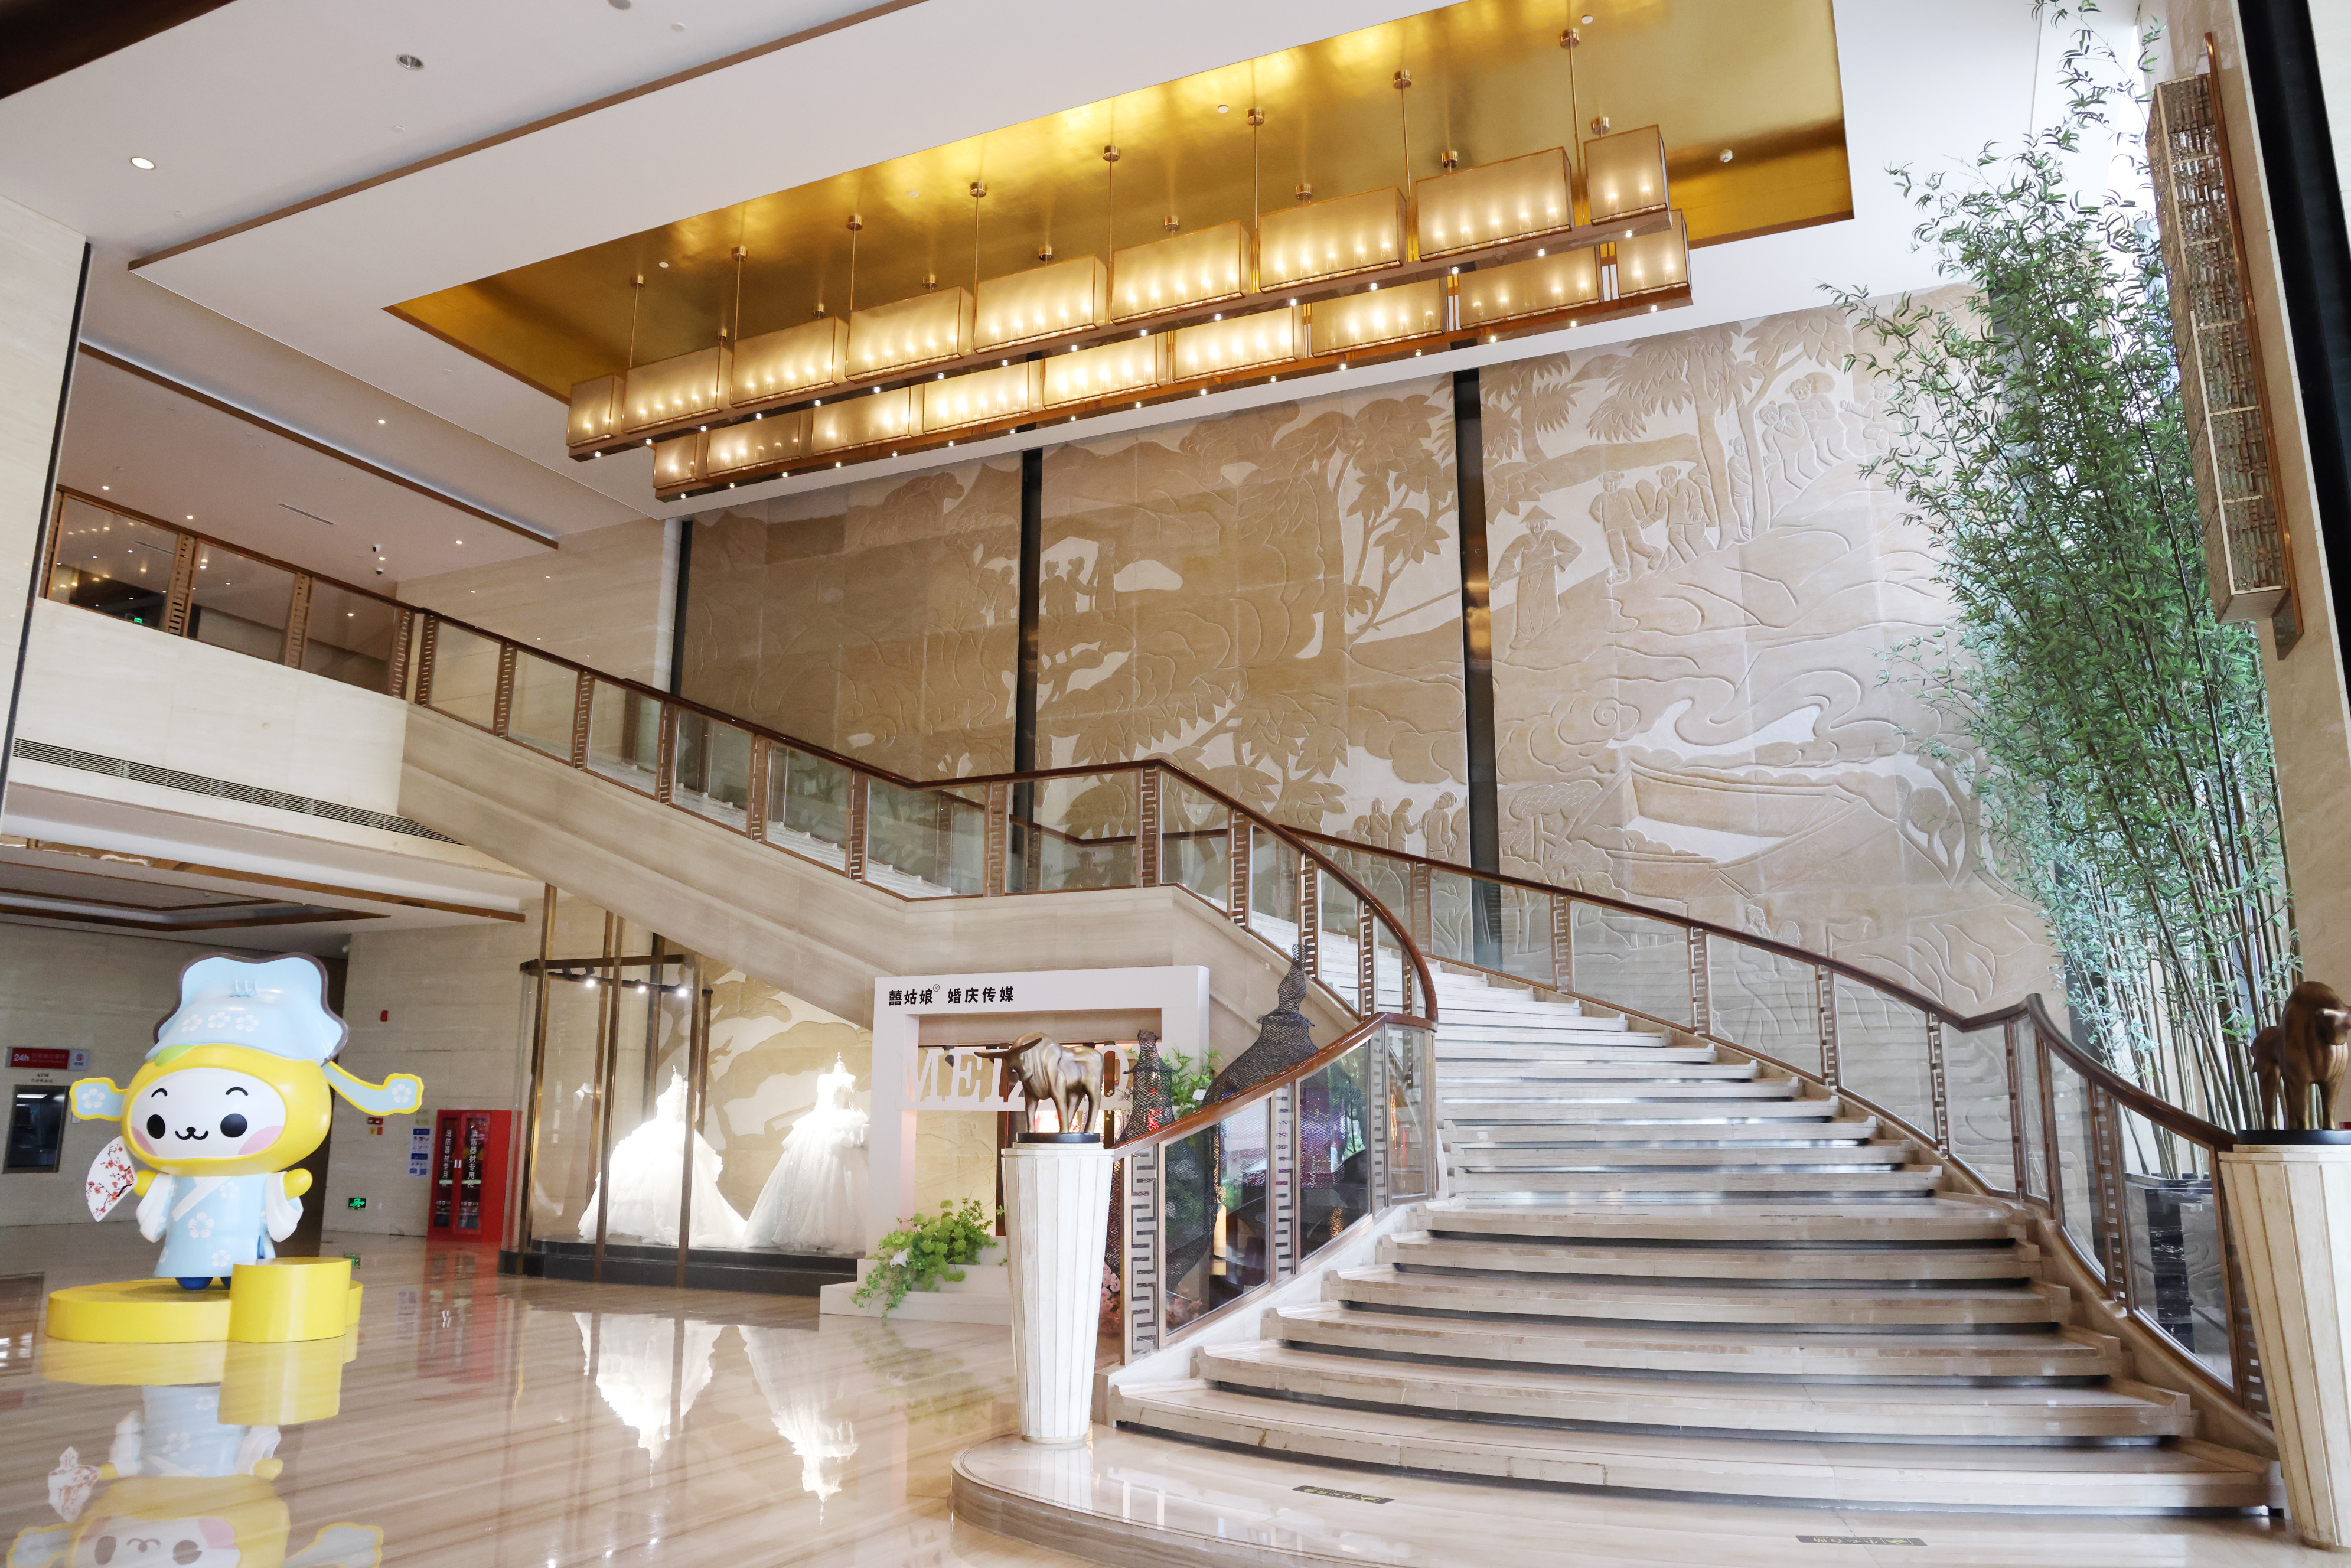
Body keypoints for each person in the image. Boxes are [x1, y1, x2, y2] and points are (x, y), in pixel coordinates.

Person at [1590, 471, 1659, 585]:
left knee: (1636, 543)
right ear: (1604, 484)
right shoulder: (1602, 497)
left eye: (1615, 482)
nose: (1612, 485)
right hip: (1612, 528)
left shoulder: (1627, 492)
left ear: (1620, 482)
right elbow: (1594, 510)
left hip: (1630, 524)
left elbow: (1637, 506)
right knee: (1617, 549)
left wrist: (1641, 516)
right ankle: (1622, 572)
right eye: (1609, 483)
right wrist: (1599, 518)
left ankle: (1654, 554)